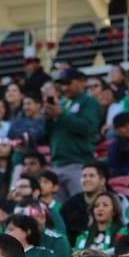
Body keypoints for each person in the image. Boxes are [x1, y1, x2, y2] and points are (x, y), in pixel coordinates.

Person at [43, 69, 102, 199]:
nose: (65, 88)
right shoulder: (62, 104)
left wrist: (61, 114)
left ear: (81, 82)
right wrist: (48, 119)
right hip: (57, 164)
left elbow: (88, 128)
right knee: (58, 208)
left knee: (79, 205)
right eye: (63, 84)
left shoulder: (89, 101)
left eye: (68, 83)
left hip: (78, 164)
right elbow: (45, 135)